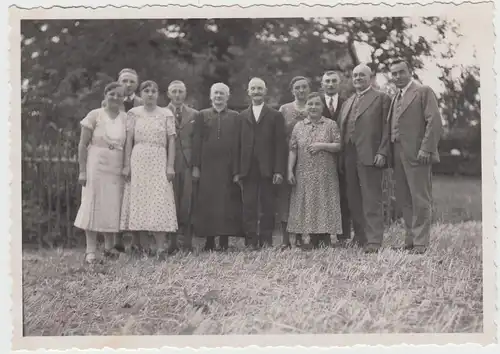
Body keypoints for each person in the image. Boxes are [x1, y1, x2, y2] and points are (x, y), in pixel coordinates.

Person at [388, 58, 443, 254]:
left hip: (418, 154)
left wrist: (426, 149)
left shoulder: (423, 91)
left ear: (409, 71)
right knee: (404, 198)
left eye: (401, 72)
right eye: (393, 73)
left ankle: (421, 243)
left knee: (420, 197)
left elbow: (434, 121)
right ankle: (410, 240)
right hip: (397, 153)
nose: (397, 76)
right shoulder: (395, 97)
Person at [119, 80, 178, 260]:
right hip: (139, 159)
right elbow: (128, 140)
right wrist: (127, 165)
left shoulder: (166, 114)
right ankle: (143, 248)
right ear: (141, 94)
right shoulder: (133, 113)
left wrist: (170, 165)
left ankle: (161, 248)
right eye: (146, 91)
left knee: (159, 201)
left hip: (159, 158)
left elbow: (172, 141)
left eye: (153, 91)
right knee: (140, 202)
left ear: (158, 94)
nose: (150, 94)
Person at [338, 64, 391, 253]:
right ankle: (360, 237)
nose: (358, 78)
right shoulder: (348, 102)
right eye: (355, 75)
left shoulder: (382, 98)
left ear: (370, 78)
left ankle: (374, 240)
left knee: (372, 197)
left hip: (370, 154)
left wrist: (382, 151)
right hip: (349, 156)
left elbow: (388, 128)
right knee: (353, 198)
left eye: (362, 75)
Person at [74, 82, 128, 264]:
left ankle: (109, 247)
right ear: (105, 95)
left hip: (116, 165)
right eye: (112, 94)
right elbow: (82, 144)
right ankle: (90, 250)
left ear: (124, 98)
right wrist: (82, 171)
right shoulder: (95, 115)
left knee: (112, 205)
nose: (115, 98)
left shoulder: (126, 118)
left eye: (119, 95)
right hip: (96, 164)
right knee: (93, 204)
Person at [233, 77, 286, 249]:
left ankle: (266, 239)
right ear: (248, 92)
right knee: (248, 205)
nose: (256, 91)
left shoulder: (275, 115)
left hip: (267, 168)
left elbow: (280, 145)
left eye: (259, 88)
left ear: (265, 91)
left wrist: (279, 170)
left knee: (267, 206)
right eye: (253, 88)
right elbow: (237, 145)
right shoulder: (241, 117)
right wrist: (237, 171)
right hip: (247, 168)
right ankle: (250, 240)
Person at [287, 92, 343, 248]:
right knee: (307, 203)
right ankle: (308, 238)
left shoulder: (330, 124)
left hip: (325, 172)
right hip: (304, 172)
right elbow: (293, 149)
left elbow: (338, 146)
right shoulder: (298, 126)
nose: (313, 107)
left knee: (324, 201)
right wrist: (289, 170)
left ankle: (325, 237)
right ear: (306, 107)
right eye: (310, 104)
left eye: (317, 104)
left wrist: (321, 146)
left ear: (322, 107)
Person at [191, 83, 243, 251]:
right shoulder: (202, 115)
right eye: (216, 93)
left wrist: (237, 170)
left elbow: (238, 144)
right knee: (209, 202)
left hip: (228, 165)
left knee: (227, 202)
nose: (219, 96)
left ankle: (224, 240)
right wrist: (196, 166)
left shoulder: (236, 116)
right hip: (208, 166)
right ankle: (210, 240)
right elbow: (196, 141)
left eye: (222, 94)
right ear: (210, 96)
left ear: (227, 97)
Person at [112, 68, 145, 254]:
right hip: (115, 153)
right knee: (116, 196)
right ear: (118, 81)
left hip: (136, 153)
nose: (128, 84)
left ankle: (135, 240)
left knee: (135, 195)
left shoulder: (142, 104)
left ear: (137, 84)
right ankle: (116, 239)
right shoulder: (111, 101)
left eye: (132, 81)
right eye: (124, 80)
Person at [276, 76, 311, 249]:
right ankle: (284, 238)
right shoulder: (284, 109)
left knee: (303, 197)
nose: (301, 90)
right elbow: (278, 135)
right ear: (292, 90)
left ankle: (299, 237)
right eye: (297, 87)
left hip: (308, 158)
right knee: (286, 197)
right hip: (287, 157)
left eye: (304, 87)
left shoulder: (314, 107)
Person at [166, 80, 199, 253]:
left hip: (188, 164)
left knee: (188, 202)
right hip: (169, 164)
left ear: (185, 94)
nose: (177, 95)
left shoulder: (194, 114)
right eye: (174, 92)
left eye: (180, 91)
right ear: (168, 94)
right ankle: (171, 243)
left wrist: (196, 166)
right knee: (171, 202)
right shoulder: (162, 113)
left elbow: (199, 142)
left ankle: (187, 242)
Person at [320, 70, 351, 247]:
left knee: (344, 196)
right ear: (322, 84)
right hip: (321, 156)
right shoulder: (315, 103)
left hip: (342, 156)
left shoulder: (347, 103)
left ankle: (343, 236)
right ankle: (322, 236)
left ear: (338, 84)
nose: (330, 84)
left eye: (333, 81)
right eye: (327, 82)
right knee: (323, 196)